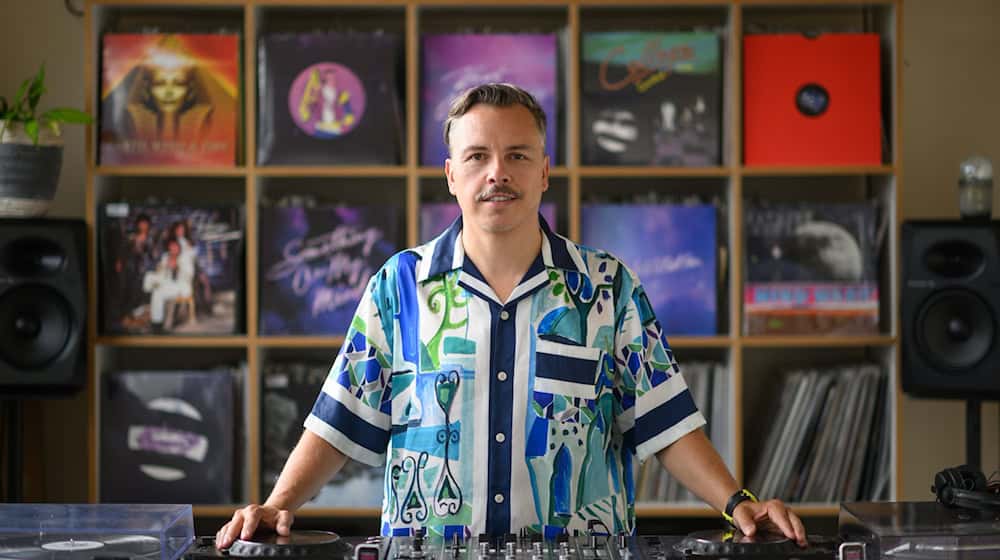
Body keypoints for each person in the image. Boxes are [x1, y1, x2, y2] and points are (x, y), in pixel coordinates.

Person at [216, 83, 806, 547]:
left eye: (517, 155)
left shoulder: (607, 287)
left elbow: (665, 422)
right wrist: (279, 505)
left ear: (544, 172)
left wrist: (737, 503)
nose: (497, 172)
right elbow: (341, 422)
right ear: (452, 177)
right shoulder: (398, 288)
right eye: (477, 156)